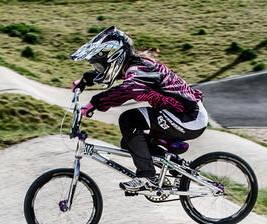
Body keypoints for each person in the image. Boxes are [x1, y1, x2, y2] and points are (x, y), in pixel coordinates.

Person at [70, 26, 208, 191]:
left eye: (100, 67)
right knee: (130, 143)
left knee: (129, 120)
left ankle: (147, 176)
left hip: (189, 117)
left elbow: (128, 89)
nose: (99, 70)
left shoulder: (139, 69)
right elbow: (114, 75)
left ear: (116, 59)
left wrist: (96, 102)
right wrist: (86, 80)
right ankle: (176, 166)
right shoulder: (133, 66)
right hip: (178, 114)